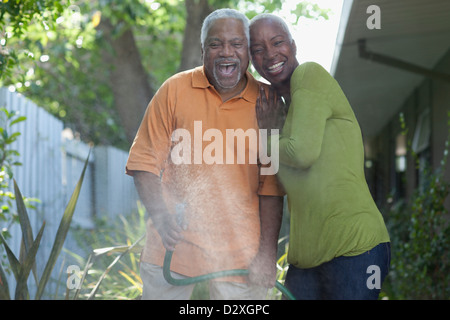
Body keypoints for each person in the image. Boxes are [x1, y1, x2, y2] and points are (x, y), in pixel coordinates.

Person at [126, 9, 285, 300]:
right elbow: (143, 163)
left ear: (248, 51)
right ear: (202, 50)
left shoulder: (269, 101)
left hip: (242, 258)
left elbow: (272, 187)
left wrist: (266, 254)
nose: (227, 52)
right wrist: (160, 216)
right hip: (172, 251)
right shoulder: (174, 91)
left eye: (237, 44)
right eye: (216, 44)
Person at [249, 13, 391, 300]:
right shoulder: (283, 117)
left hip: (355, 249)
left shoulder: (309, 75)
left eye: (277, 42)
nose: (270, 54)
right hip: (305, 262)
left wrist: (265, 136)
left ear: (293, 45)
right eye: (258, 49)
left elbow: (302, 154)